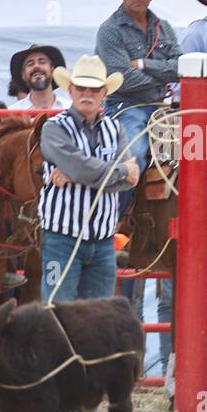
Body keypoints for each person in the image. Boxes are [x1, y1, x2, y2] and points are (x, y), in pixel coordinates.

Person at [38, 56, 140, 303]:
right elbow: (124, 174)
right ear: (70, 90)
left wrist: (76, 174)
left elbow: (129, 180)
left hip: (103, 241)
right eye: (81, 88)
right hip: (62, 239)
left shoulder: (115, 129)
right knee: (56, 313)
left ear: (104, 93)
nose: (87, 93)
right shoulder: (53, 128)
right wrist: (120, 171)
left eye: (94, 89)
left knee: (98, 320)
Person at [95, 0, 180, 210]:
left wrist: (143, 64)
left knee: (205, 149)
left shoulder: (164, 28)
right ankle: (109, 219)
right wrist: (165, 73)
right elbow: (122, 78)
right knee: (130, 160)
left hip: (163, 108)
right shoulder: (109, 30)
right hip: (125, 107)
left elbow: (181, 67)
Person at [7, 44, 70, 111]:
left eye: (42, 62)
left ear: (52, 70)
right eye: (30, 64)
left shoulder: (70, 109)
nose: (36, 66)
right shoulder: (13, 112)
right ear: (23, 75)